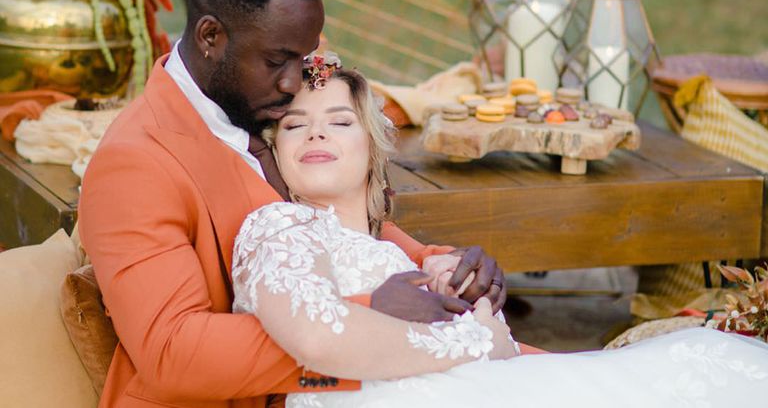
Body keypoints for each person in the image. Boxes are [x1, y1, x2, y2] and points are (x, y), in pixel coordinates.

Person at [78, 0, 509, 408]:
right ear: (211, 36)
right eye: (278, 60)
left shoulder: (260, 97)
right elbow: (173, 353)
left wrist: (436, 262)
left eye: (303, 59)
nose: (293, 83)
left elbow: (330, 228)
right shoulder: (136, 164)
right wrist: (363, 317)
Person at [233, 63, 768, 408]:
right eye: (296, 125)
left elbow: (499, 349)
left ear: (372, 149)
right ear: (275, 152)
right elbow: (316, 340)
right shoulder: (279, 226)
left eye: (339, 121)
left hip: (478, 390)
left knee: (700, 365)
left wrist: (460, 299)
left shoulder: (396, 252)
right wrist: (465, 340)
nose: (317, 132)